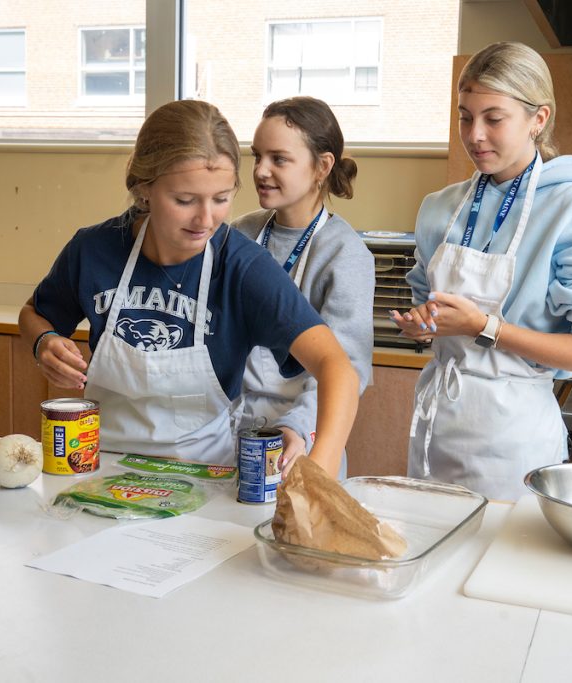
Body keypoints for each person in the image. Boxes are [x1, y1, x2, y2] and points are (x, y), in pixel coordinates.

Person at [19, 100, 359, 478]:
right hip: (100, 467)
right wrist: (43, 342)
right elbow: (34, 314)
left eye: (221, 199)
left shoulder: (242, 267)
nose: (205, 220)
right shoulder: (92, 250)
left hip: (202, 476)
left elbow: (337, 368)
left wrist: (322, 464)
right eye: (184, 201)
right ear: (144, 188)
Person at [390, 42, 572, 500]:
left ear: (538, 119)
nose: (475, 135)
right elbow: (429, 309)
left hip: (514, 439)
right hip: (437, 428)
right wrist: (423, 326)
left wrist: (484, 327)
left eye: (493, 118)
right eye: (465, 117)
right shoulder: (439, 208)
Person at [231, 97, 374, 478]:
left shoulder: (345, 253)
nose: (261, 171)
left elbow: (348, 366)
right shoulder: (239, 234)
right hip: (231, 433)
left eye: (279, 159)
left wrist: (297, 428)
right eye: (257, 156)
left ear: (322, 167)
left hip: (302, 440)